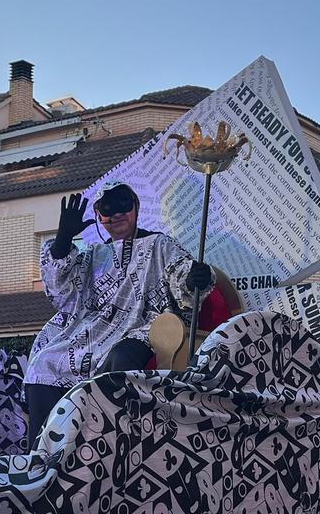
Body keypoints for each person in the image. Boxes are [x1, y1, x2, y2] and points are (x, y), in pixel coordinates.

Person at [24, 184, 213, 448]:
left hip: (143, 326)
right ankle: (43, 453)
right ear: (99, 216)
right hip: (92, 330)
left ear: (135, 207)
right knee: (44, 362)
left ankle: (108, 446)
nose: (116, 215)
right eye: (107, 209)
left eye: (123, 205)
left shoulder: (159, 244)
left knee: (120, 359)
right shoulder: (94, 256)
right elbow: (60, 293)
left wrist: (194, 278)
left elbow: (182, 275)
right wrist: (62, 242)